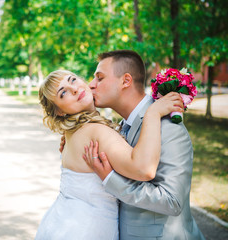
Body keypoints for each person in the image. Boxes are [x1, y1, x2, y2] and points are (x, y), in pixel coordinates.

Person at [35, 69, 184, 240]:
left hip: (59, 223)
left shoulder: (73, 134)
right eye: (63, 93)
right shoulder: (94, 131)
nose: (74, 89)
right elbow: (144, 169)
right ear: (59, 111)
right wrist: (153, 113)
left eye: (73, 80)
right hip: (85, 230)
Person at [82, 50, 205, 239]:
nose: (91, 85)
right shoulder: (121, 126)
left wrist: (111, 179)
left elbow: (173, 201)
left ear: (126, 81)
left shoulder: (167, 126)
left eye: (99, 78)